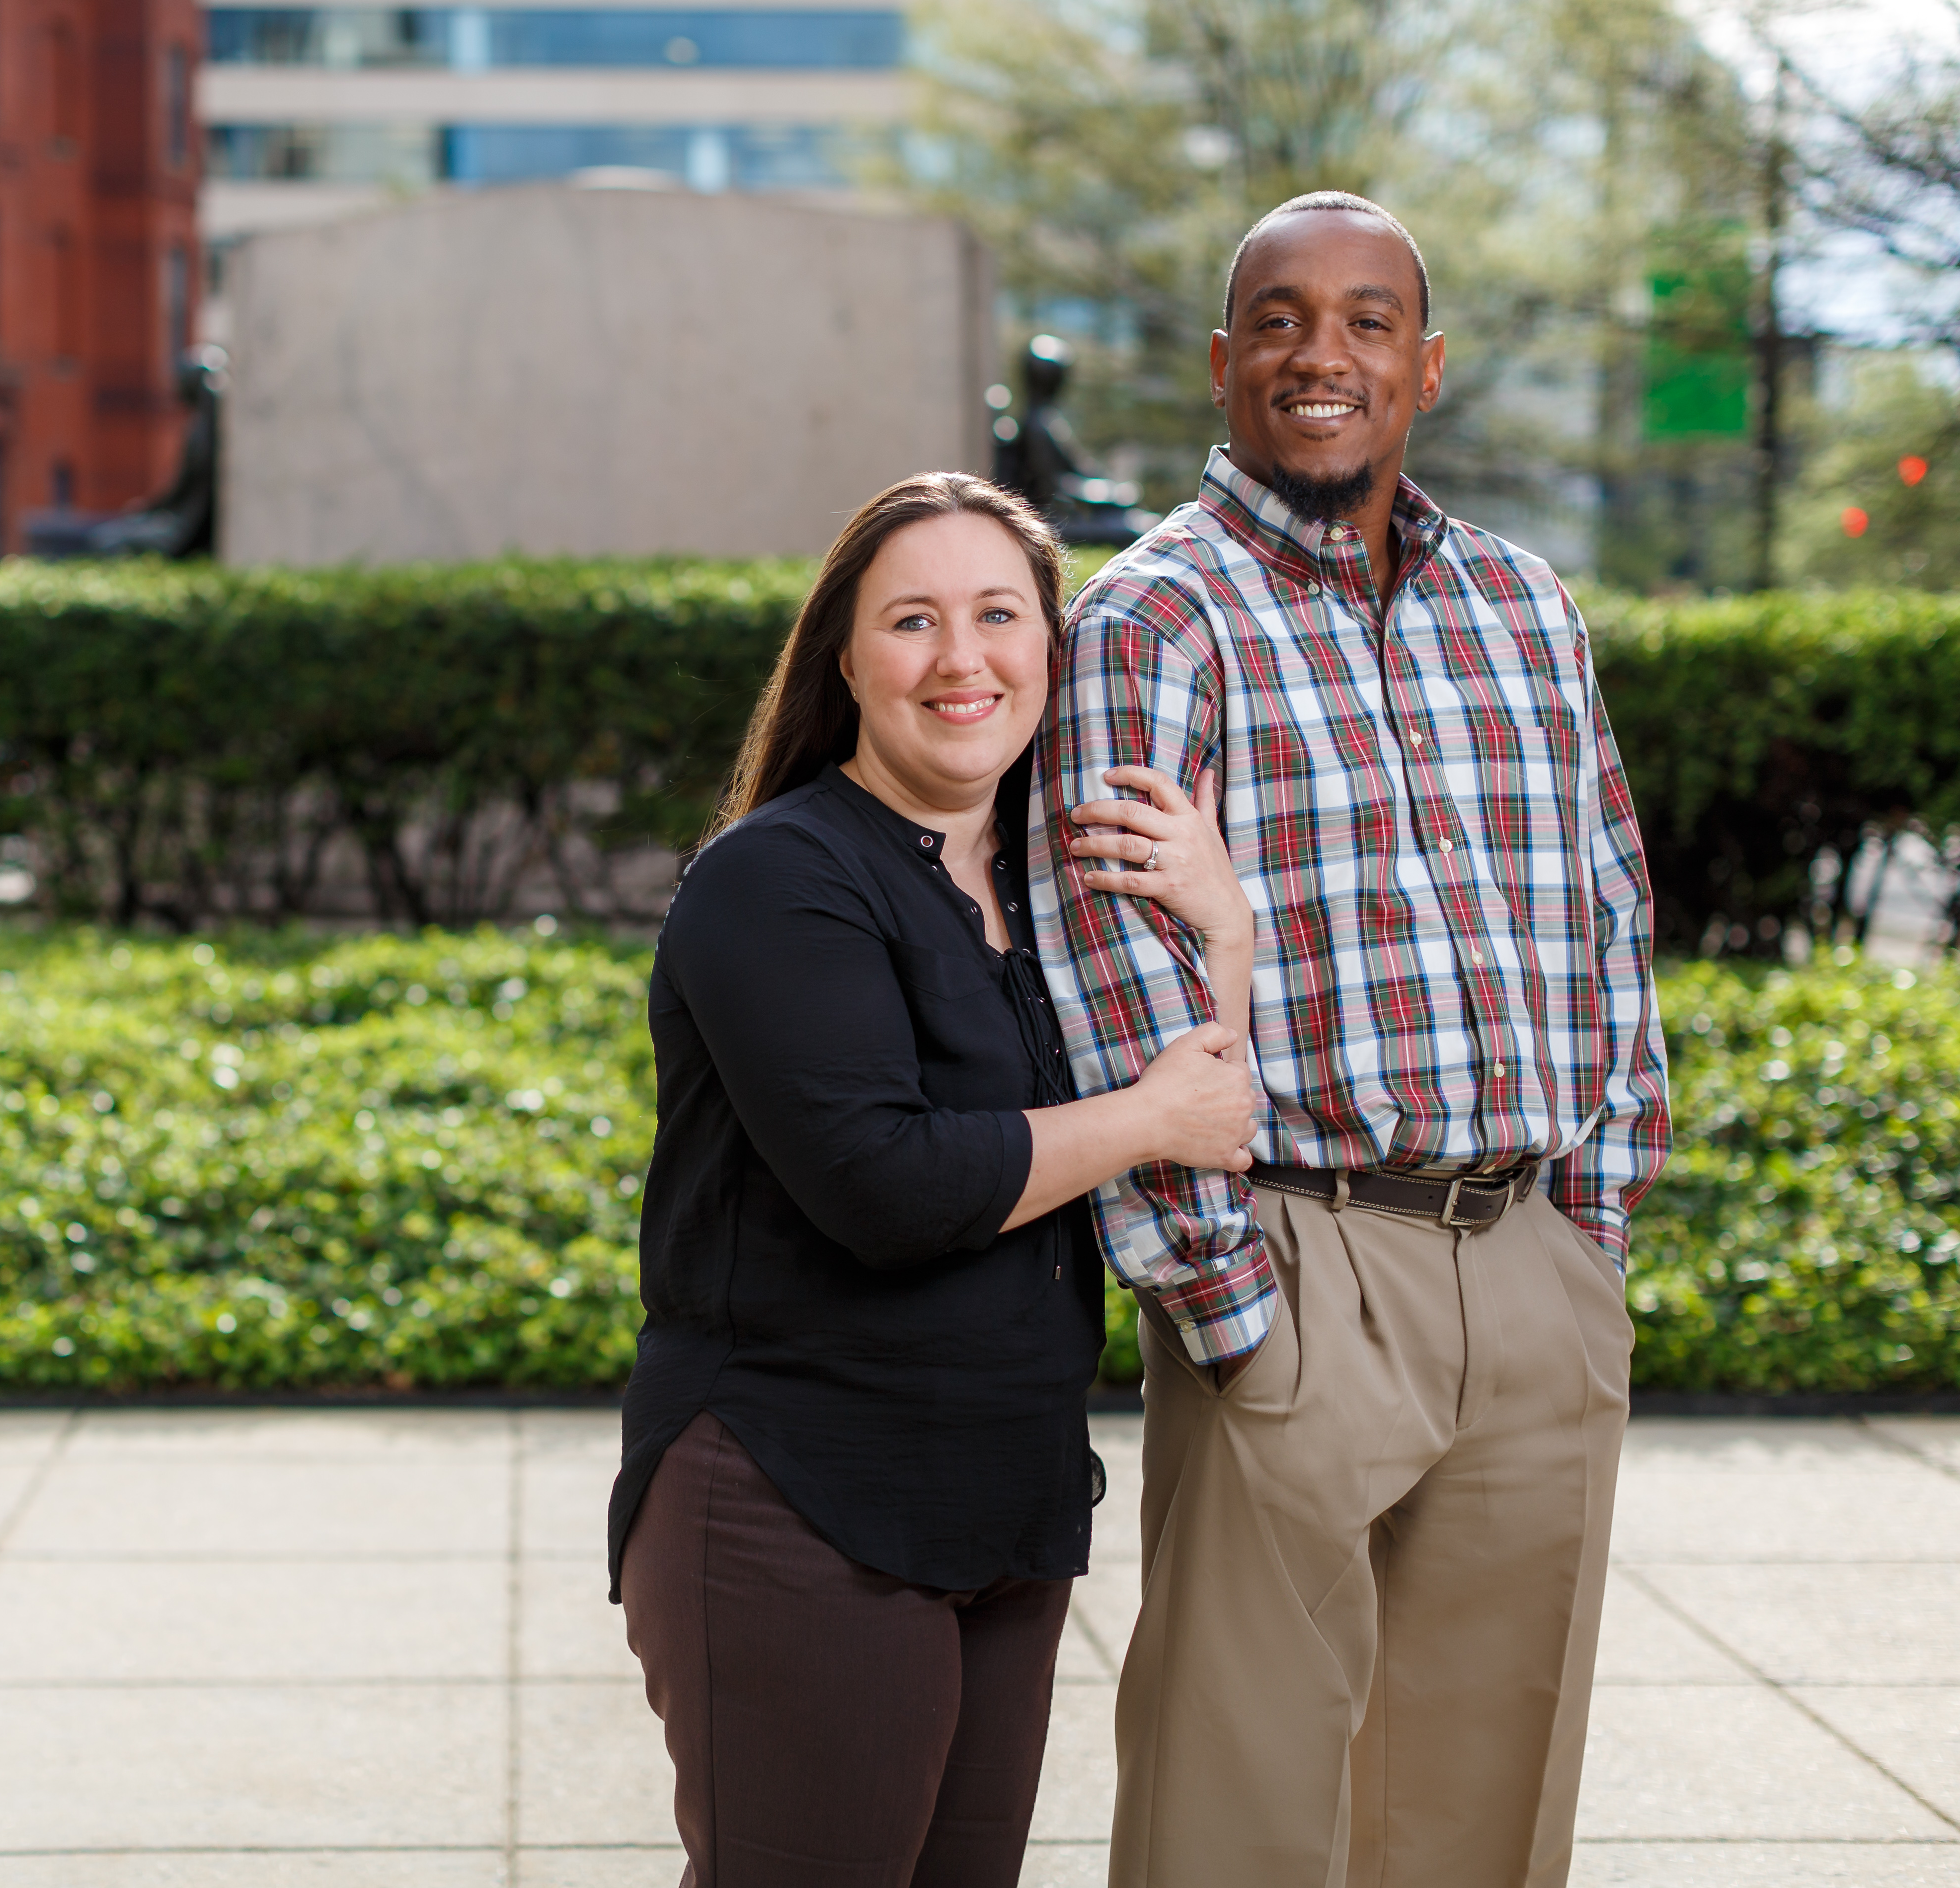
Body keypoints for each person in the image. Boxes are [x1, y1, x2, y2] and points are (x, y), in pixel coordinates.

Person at [1027, 191, 1671, 1888]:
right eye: (1285, 320)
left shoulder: (1526, 606)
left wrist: (1589, 1239)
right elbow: (1117, 974)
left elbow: (1610, 917)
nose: (1326, 354)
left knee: (1487, 1807)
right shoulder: (1158, 619)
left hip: (1530, 1261)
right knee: (1232, 1817)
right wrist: (1229, 1308)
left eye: (1370, 321)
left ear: (1428, 366)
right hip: (1298, 1267)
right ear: (1223, 362)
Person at [610, 471, 1260, 1888]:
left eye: (998, 616)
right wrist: (1143, 1116)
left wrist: (1223, 924)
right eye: (913, 621)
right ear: (844, 659)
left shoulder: (1055, 889)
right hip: (796, 1495)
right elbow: (887, 1185)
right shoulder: (778, 880)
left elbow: (1211, 1109)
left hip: (1001, 1505)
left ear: (1052, 647)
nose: (962, 660)